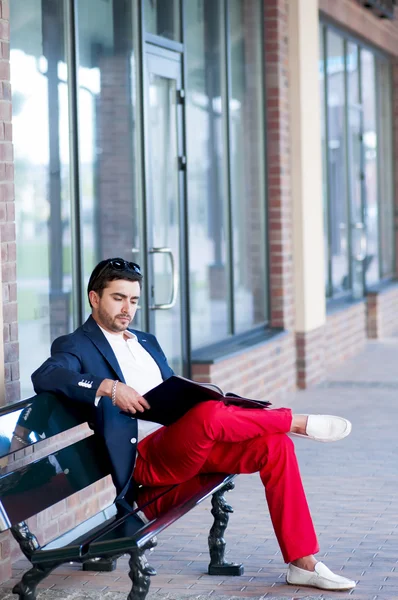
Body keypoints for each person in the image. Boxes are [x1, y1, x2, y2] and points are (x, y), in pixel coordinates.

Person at [32, 258, 356, 592]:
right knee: (209, 414)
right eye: (118, 298)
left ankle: (302, 562)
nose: (127, 308)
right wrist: (110, 388)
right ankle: (294, 421)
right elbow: (46, 375)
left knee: (274, 446)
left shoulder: (146, 341)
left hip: (183, 444)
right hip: (145, 459)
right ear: (94, 298)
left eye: (134, 300)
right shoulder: (77, 344)